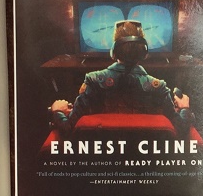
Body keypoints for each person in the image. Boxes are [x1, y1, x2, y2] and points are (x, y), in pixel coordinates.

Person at [50, 19, 194, 137]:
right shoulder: (159, 87)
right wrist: (184, 108)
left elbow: (67, 129)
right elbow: (182, 129)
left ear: (113, 52)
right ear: (144, 54)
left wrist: (57, 111)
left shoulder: (93, 81)